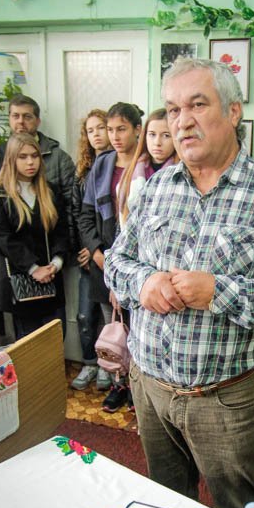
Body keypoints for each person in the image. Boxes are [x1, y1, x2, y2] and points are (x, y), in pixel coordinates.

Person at [104, 58, 254, 508]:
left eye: (197, 105)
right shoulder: (156, 187)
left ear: (233, 111)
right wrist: (143, 282)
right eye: (173, 109)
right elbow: (117, 262)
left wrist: (220, 292)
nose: (182, 121)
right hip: (150, 388)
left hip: (224, 400)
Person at [79, 102, 144, 412]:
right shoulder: (102, 164)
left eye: (121, 129)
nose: (115, 136)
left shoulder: (149, 165)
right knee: (113, 328)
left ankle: (138, 389)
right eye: (110, 130)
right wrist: (98, 255)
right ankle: (119, 385)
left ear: (136, 130)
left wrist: (124, 267)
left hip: (138, 265)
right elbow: (85, 216)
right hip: (103, 263)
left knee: (137, 330)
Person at [0, 133, 68, 339]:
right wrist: (33, 268)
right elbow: (3, 240)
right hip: (20, 284)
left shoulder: (50, 191)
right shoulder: (0, 196)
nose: (30, 162)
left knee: (56, 343)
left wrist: (56, 263)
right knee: (30, 347)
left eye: (34, 155)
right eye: (22, 157)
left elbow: (61, 231)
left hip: (51, 280)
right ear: (11, 160)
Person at [0, 94, 76, 256]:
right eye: (15, 116)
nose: (20, 121)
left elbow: (70, 208)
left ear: (38, 121)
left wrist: (62, 254)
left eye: (27, 116)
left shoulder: (59, 158)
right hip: (11, 257)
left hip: (51, 251)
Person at [70, 109, 112, 391]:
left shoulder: (119, 164)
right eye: (90, 130)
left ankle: (109, 366)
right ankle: (89, 363)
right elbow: (77, 214)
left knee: (111, 318)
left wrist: (98, 248)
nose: (96, 134)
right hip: (88, 257)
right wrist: (84, 249)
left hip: (108, 255)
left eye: (101, 128)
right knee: (86, 316)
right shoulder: (83, 171)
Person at [119, 108, 178, 225]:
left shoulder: (182, 173)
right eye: (152, 134)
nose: (157, 142)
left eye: (166, 135)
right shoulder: (131, 170)